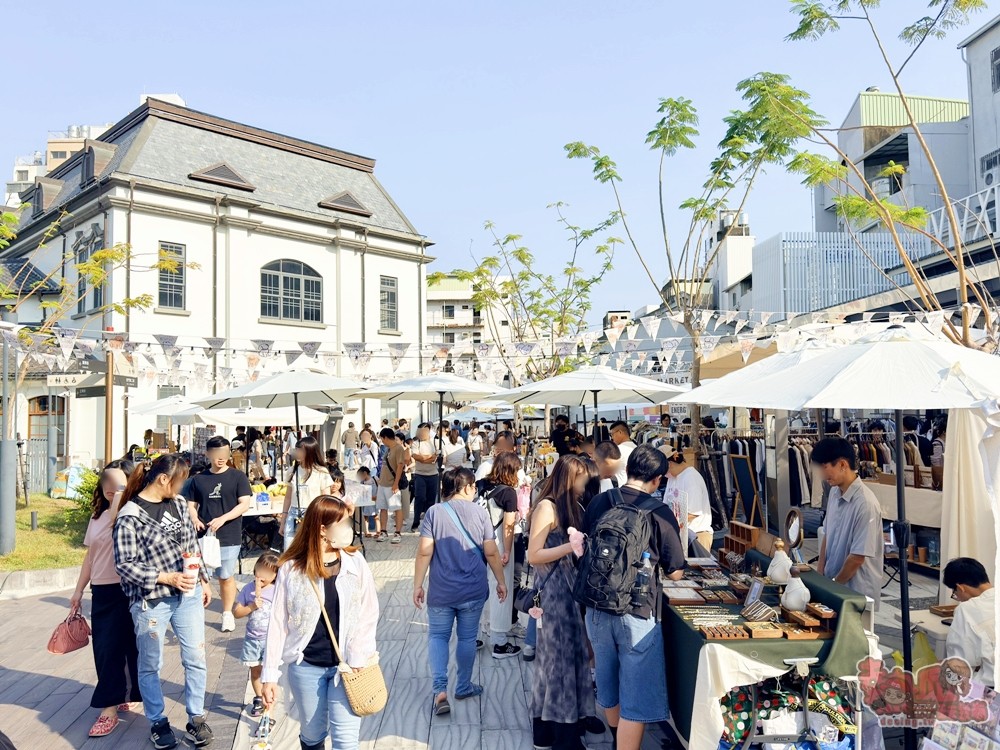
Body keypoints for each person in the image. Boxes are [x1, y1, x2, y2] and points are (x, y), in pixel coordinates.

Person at [583, 446, 686, 750]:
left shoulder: (601, 501)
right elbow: (676, 571)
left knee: (608, 682)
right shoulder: (659, 511)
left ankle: (617, 740)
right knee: (637, 700)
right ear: (656, 480)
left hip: (597, 607)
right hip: (638, 611)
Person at [261, 496, 379, 750]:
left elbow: (369, 612)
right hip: (307, 667)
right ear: (323, 529)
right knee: (313, 736)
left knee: (346, 743)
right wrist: (269, 674)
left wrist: (359, 655)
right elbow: (278, 622)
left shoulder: (355, 563)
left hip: (347, 668)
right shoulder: (292, 569)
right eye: (343, 522)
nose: (348, 527)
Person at [113, 454, 214, 750]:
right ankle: (157, 721)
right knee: (150, 664)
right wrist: (166, 577)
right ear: (163, 479)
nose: (183, 488)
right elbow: (125, 565)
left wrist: (203, 579)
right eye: (181, 481)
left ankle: (196, 718)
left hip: (189, 595)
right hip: (151, 601)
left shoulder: (179, 504)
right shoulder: (130, 515)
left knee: (195, 657)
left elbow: (191, 545)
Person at [413, 468, 509, 716]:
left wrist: (418, 585)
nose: (475, 490)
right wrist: (501, 581)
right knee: (467, 639)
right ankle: (464, 685)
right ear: (466, 488)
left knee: (437, 637)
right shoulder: (480, 512)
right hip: (473, 590)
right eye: (473, 486)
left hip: (441, 591)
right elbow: (490, 552)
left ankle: (440, 691)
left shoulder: (434, 513)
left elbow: (425, 551)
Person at [528, 455, 598, 750]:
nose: (585, 484)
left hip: (570, 593)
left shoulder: (572, 507)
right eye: (582, 478)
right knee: (557, 663)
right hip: (554, 594)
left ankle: (552, 729)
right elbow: (534, 555)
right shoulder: (547, 507)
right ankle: (561, 734)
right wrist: (570, 546)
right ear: (570, 478)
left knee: (568, 659)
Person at [70, 459, 142, 739]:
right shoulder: (98, 515)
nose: (112, 489)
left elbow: (117, 521)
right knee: (106, 649)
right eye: (107, 484)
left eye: (119, 483)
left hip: (130, 587)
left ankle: (127, 693)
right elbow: (90, 556)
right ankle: (108, 708)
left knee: (132, 647)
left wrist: (122, 493)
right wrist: (78, 591)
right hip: (102, 590)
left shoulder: (132, 511)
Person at [185, 436, 252, 633]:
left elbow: (244, 504)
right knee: (199, 577)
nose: (221, 458)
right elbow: (190, 504)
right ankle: (194, 615)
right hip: (203, 537)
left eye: (224, 453)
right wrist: (195, 519)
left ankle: (227, 613)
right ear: (208, 454)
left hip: (229, 535)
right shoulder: (198, 479)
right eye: (216, 454)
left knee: (225, 576)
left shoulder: (238, 477)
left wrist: (223, 519)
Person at [812, 437, 883, 608]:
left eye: (825, 467)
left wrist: (834, 585)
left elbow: (857, 557)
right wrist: (821, 577)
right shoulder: (835, 493)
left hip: (856, 592)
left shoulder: (865, 503)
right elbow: (827, 536)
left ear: (843, 465)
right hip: (834, 586)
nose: (821, 474)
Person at [479, 451, 523, 659]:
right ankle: (499, 642)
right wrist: (507, 550)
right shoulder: (508, 493)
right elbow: (508, 525)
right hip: (498, 543)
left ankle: (479, 632)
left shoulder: (480, 485)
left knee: (481, 590)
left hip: (478, 544)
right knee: (500, 590)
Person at [234, 552, 281, 720]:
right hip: (253, 639)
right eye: (259, 569)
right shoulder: (248, 589)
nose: (261, 575)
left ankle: (270, 703)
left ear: (275, 575)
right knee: (255, 672)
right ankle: (259, 698)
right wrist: (251, 606)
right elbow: (237, 612)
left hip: (271, 640)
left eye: (267, 572)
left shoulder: (277, 590)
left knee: (270, 672)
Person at [943, 557, 995, 688]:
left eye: (954, 593)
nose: (957, 598)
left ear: (960, 588)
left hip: (993, 693)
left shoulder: (967, 609)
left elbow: (960, 664)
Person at [279, 436, 334, 551]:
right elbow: (288, 497)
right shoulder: (292, 470)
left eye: (300, 450)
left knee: (310, 550)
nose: (297, 453)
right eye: (297, 449)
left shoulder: (321, 472)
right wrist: (283, 520)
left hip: (313, 513)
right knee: (289, 550)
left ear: (309, 452)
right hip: (293, 513)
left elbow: (326, 498)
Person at [662, 451, 713, 552]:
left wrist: (669, 521)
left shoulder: (691, 478)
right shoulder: (672, 477)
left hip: (696, 535)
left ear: (669, 464)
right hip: (682, 534)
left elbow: (694, 512)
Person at [376, 427, 409, 544]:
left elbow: (400, 466)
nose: (382, 441)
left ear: (385, 437)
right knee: (383, 508)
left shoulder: (398, 448)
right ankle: (383, 531)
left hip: (392, 484)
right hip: (383, 484)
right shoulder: (388, 449)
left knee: (396, 508)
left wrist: (395, 484)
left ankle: (397, 532)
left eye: (382, 438)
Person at [410, 423, 439, 532]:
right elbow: (418, 458)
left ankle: (429, 524)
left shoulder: (435, 442)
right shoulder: (416, 443)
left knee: (431, 501)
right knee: (419, 498)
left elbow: (434, 459)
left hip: (433, 475)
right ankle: (415, 522)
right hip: (420, 475)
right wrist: (428, 458)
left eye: (423, 431)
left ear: (428, 431)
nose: (421, 434)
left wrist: (424, 458)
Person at [609, 421, 637, 487]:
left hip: (620, 488)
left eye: (612, 434)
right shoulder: (637, 448)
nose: (612, 438)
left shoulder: (617, 450)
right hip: (635, 487)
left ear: (620, 432)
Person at [355, 466, 379, 537]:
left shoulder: (375, 479)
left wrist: (378, 496)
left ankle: (378, 531)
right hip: (366, 502)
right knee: (365, 517)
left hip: (374, 501)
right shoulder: (362, 482)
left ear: (365, 473)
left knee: (376, 516)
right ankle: (366, 531)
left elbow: (380, 487)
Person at [932, 418, 947, 491]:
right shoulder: (937, 444)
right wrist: (939, 481)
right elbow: (936, 464)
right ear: (944, 432)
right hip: (941, 478)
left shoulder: (944, 442)